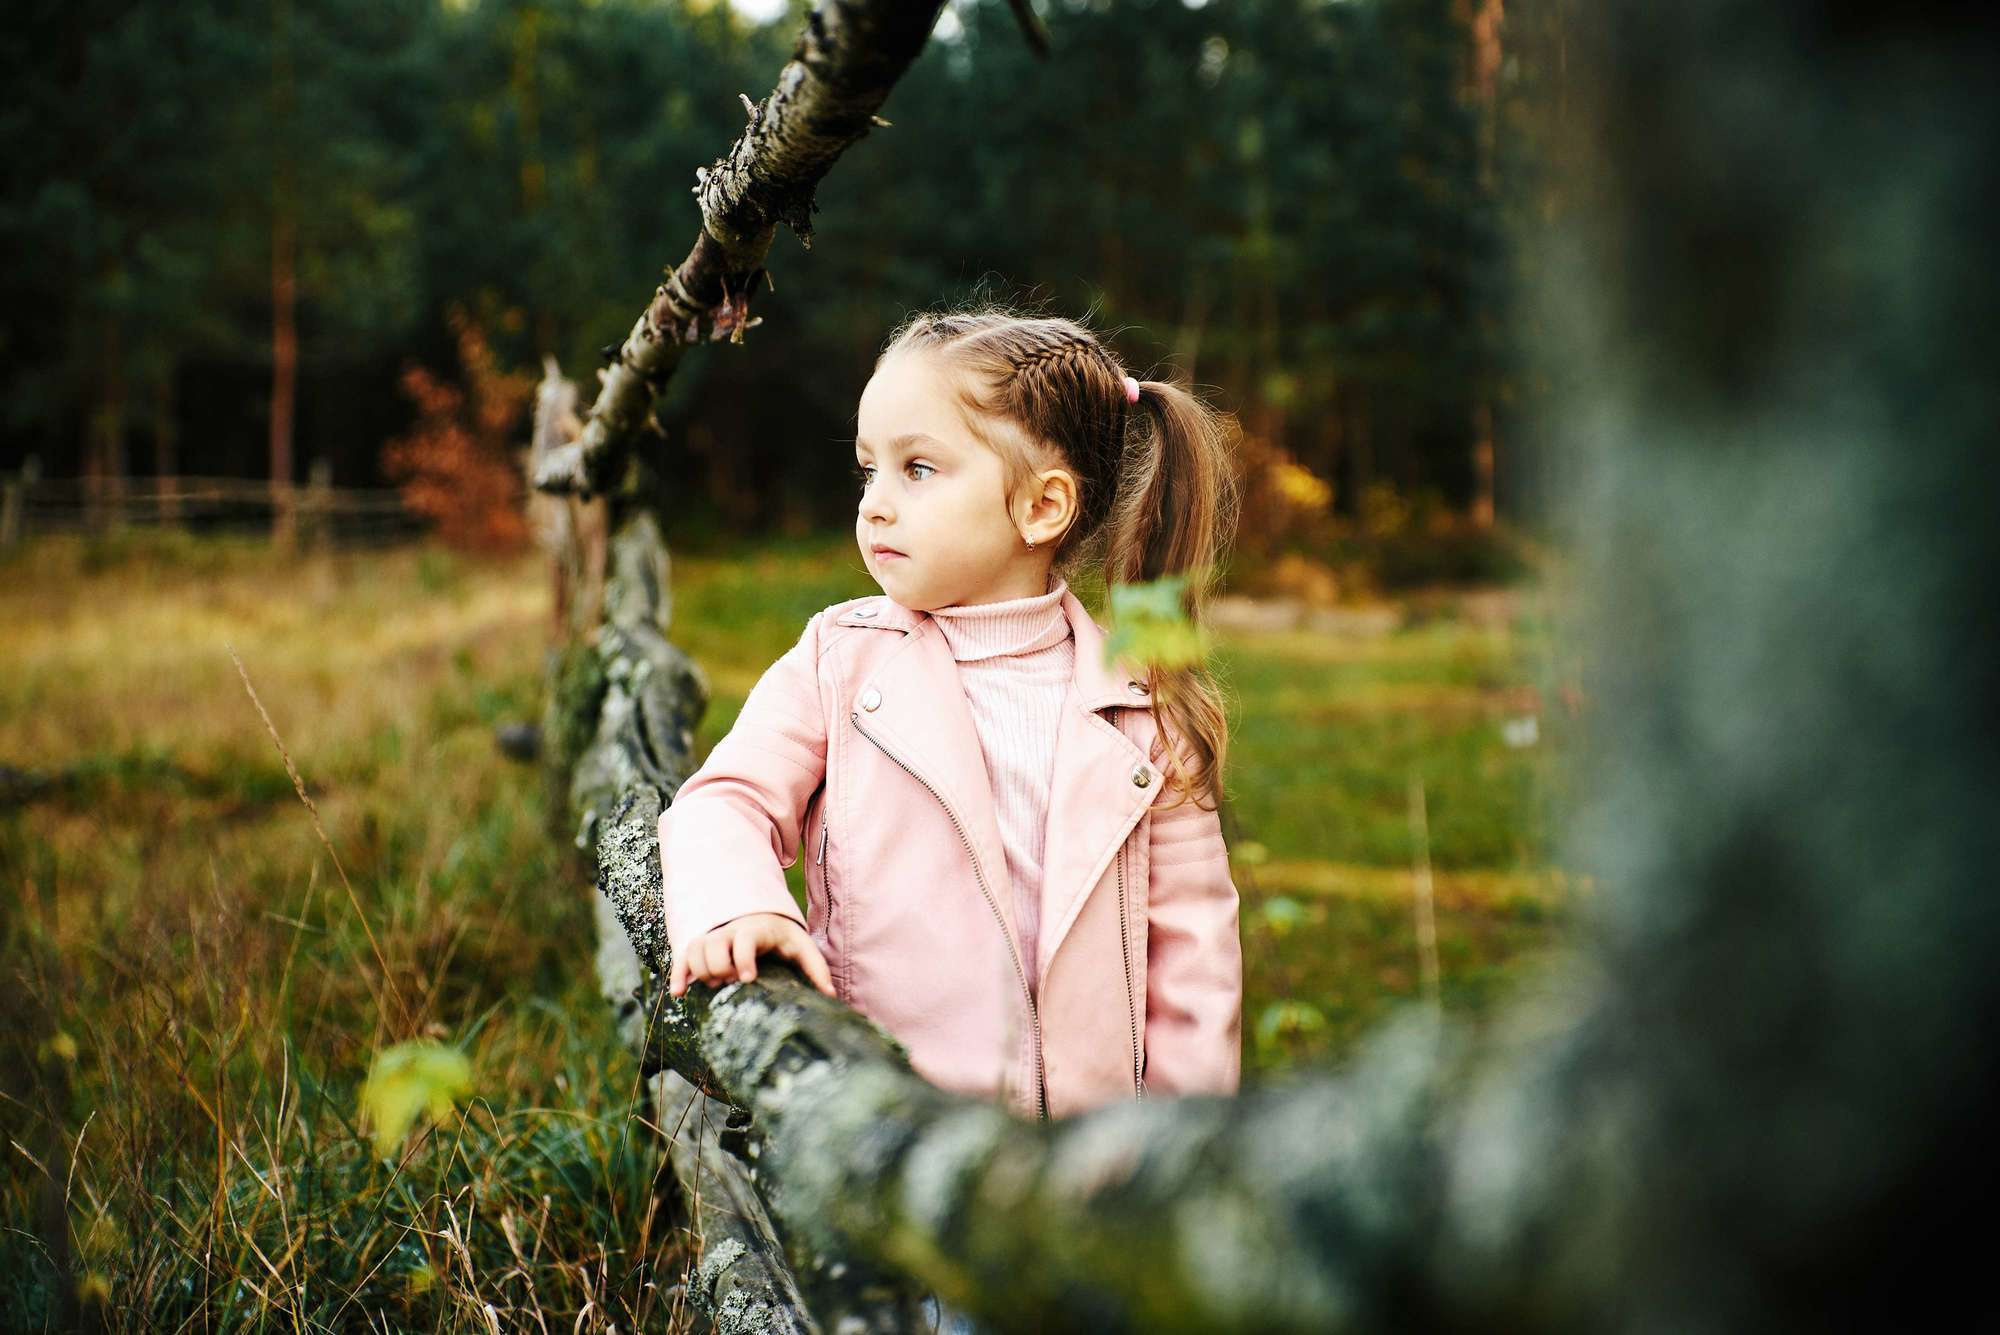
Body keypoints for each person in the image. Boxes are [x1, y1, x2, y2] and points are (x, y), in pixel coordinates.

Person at [660, 305, 1244, 1128]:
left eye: (918, 469)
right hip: (883, 1135)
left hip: (1084, 1160)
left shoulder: (1143, 707)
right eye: (869, 470)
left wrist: (1180, 1155)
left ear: (1042, 508)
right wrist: (740, 904)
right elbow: (725, 800)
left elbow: (1195, 960)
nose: (876, 506)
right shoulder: (840, 660)